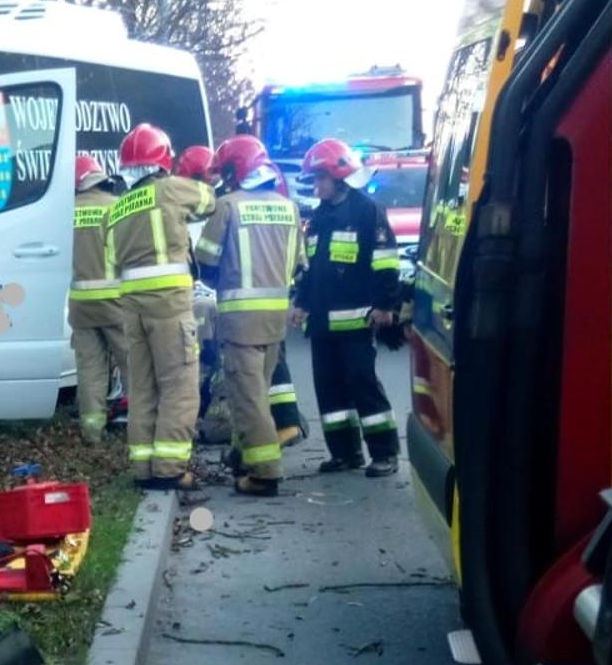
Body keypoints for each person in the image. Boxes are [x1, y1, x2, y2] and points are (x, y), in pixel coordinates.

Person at [110, 123, 215, 493]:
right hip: (169, 306)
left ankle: (144, 468)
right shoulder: (170, 189)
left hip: (132, 311)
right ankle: (169, 468)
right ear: (161, 162)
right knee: (179, 386)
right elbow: (208, 200)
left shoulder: (118, 207)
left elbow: (112, 263)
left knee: (142, 388)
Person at [195, 135, 303, 496]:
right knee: (257, 392)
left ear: (234, 170)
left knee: (249, 398)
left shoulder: (227, 206)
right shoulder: (289, 208)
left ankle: (265, 472)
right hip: (275, 320)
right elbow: (300, 264)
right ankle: (243, 455)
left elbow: (206, 262)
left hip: (241, 320)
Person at [295, 138, 403, 477]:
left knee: (363, 385)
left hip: (357, 322)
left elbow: (385, 262)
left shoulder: (366, 211)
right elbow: (310, 267)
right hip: (323, 323)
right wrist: (301, 302)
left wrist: (385, 304)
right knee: (329, 391)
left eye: (320, 179)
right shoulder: (319, 216)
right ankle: (345, 453)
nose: (316, 186)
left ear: (338, 177)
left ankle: (384, 453)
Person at [68, 154, 126, 443]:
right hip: (117, 303)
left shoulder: (67, 211)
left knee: (90, 370)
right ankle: (141, 429)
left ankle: (92, 432)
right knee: (133, 369)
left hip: (81, 305)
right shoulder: (117, 207)